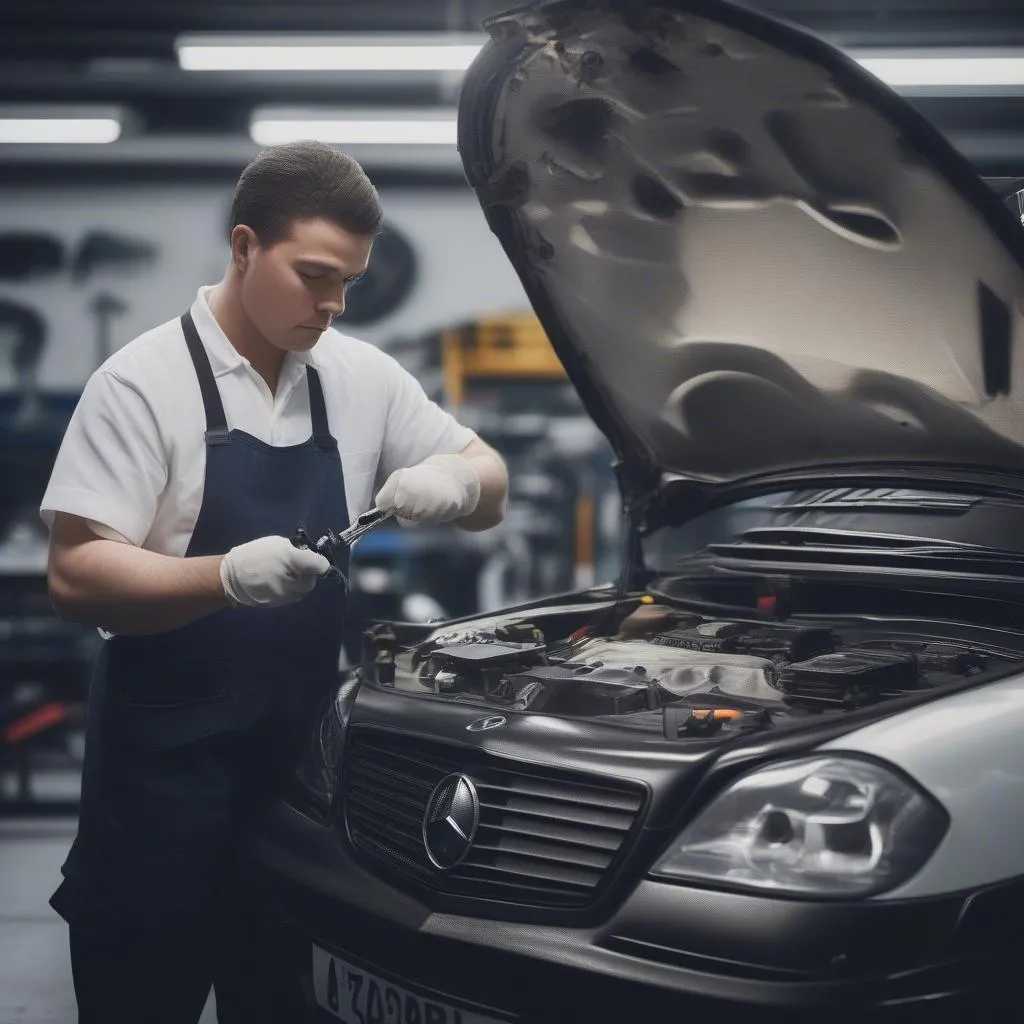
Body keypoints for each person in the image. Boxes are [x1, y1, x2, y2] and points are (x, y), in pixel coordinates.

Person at [40, 140, 509, 1023]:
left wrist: (457, 483)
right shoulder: (141, 385)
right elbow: (76, 573)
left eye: (350, 284)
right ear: (245, 247)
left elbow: (492, 482)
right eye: (315, 275)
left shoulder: (359, 378)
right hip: (159, 790)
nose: (332, 305)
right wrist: (226, 576)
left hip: (299, 789)